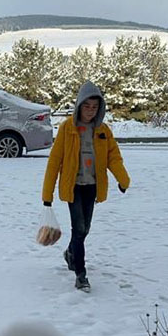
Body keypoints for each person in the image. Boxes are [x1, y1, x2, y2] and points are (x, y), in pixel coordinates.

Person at [42, 81, 130, 292]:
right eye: (87, 106)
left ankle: (71, 252)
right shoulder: (67, 129)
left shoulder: (103, 131)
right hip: (73, 188)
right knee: (78, 228)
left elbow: (113, 157)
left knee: (85, 229)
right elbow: (54, 161)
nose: (90, 111)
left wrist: (123, 179)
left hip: (93, 187)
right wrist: (47, 195)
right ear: (79, 105)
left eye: (94, 107)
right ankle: (81, 274)